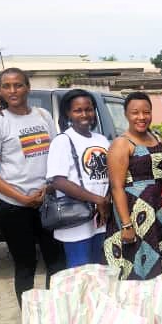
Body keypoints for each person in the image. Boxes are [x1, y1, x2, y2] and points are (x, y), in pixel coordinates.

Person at [0, 67, 63, 306]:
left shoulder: (43, 115)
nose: (13, 90)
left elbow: (55, 156)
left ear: (28, 87)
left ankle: (54, 313)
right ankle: (30, 317)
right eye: (6, 86)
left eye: (18, 85)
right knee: (26, 265)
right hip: (14, 207)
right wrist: (23, 198)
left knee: (56, 262)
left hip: (47, 201)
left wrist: (47, 189)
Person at [104, 92, 162, 281]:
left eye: (146, 112)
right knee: (138, 264)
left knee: (161, 263)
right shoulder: (122, 143)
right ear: (126, 114)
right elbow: (116, 187)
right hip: (135, 214)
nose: (141, 117)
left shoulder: (156, 136)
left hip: (158, 211)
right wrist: (126, 225)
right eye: (135, 113)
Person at [46, 89, 110, 268]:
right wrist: (96, 199)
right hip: (76, 218)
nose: (84, 114)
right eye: (78, 110)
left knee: (101, 268)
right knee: (80, 270)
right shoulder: (63, 141)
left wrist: (105, 202)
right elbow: (58, 180)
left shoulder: (102, 140)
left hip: (101, 217)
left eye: (88, 109)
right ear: (68, 113)